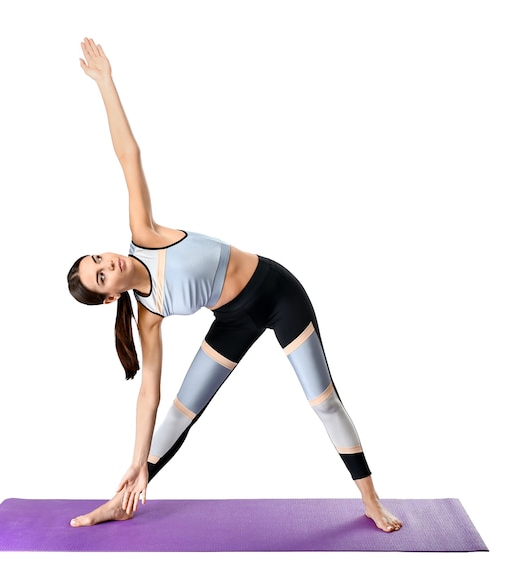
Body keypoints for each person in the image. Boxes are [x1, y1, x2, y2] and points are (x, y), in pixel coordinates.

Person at [67, 37, 402, 533]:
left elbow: (128, 155)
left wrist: (106, 83)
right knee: (182, 410)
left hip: (278, 291)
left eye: (98, 257)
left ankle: (372, 500)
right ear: (110, 295)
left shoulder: (143, 234)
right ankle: (126, 494)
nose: (108, 262)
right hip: (235, 319)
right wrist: (138, 460)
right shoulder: (149, 315)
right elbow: (149, 395)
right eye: (101, 275)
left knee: (324, 400)